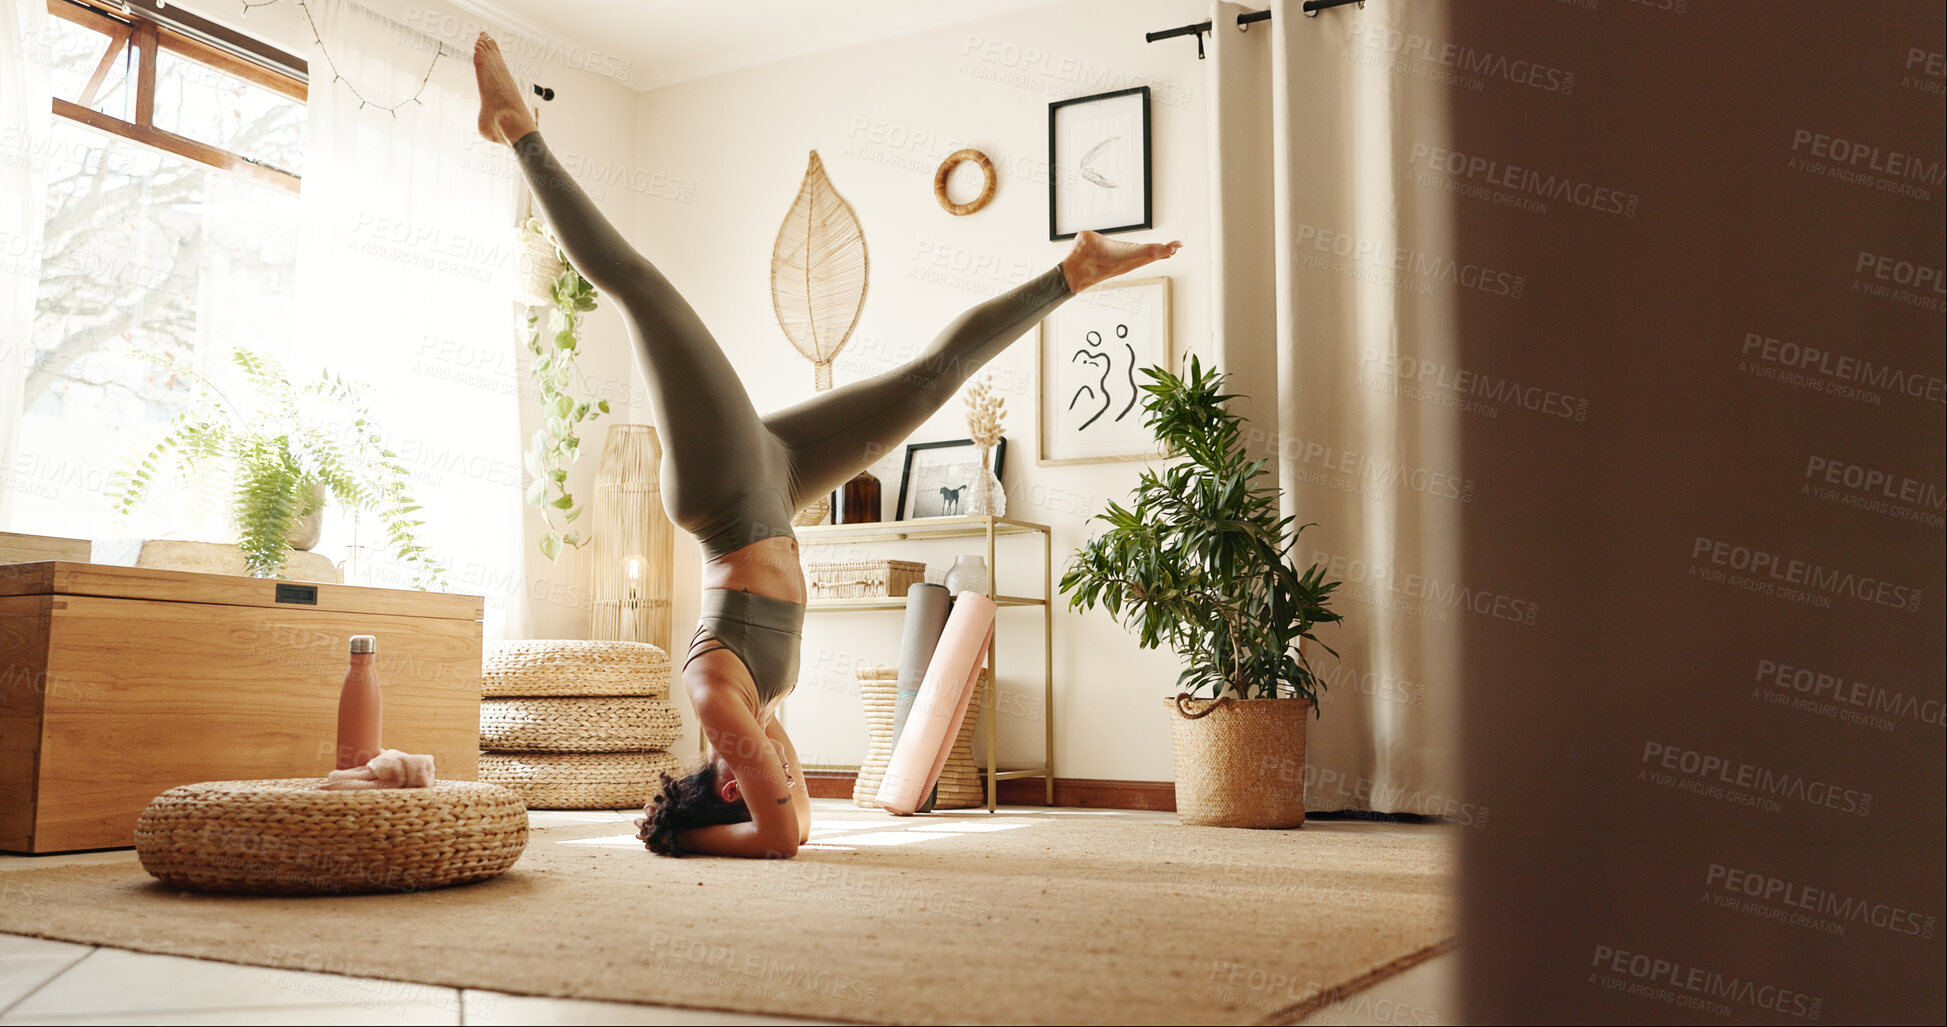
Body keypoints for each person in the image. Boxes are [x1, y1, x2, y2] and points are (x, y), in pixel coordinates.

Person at [473, 33, 1180, 858]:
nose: (781, 768)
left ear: (726, 780)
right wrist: (756, 793)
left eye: (752, 772)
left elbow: (777, 838)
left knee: (642, 288)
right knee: (928, 382)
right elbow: (799, 824)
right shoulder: (761, 714)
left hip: (726, 500)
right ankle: (1072, 273)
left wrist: (682, 843)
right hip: (776, 488)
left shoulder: (715, 696)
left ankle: (518, 130)